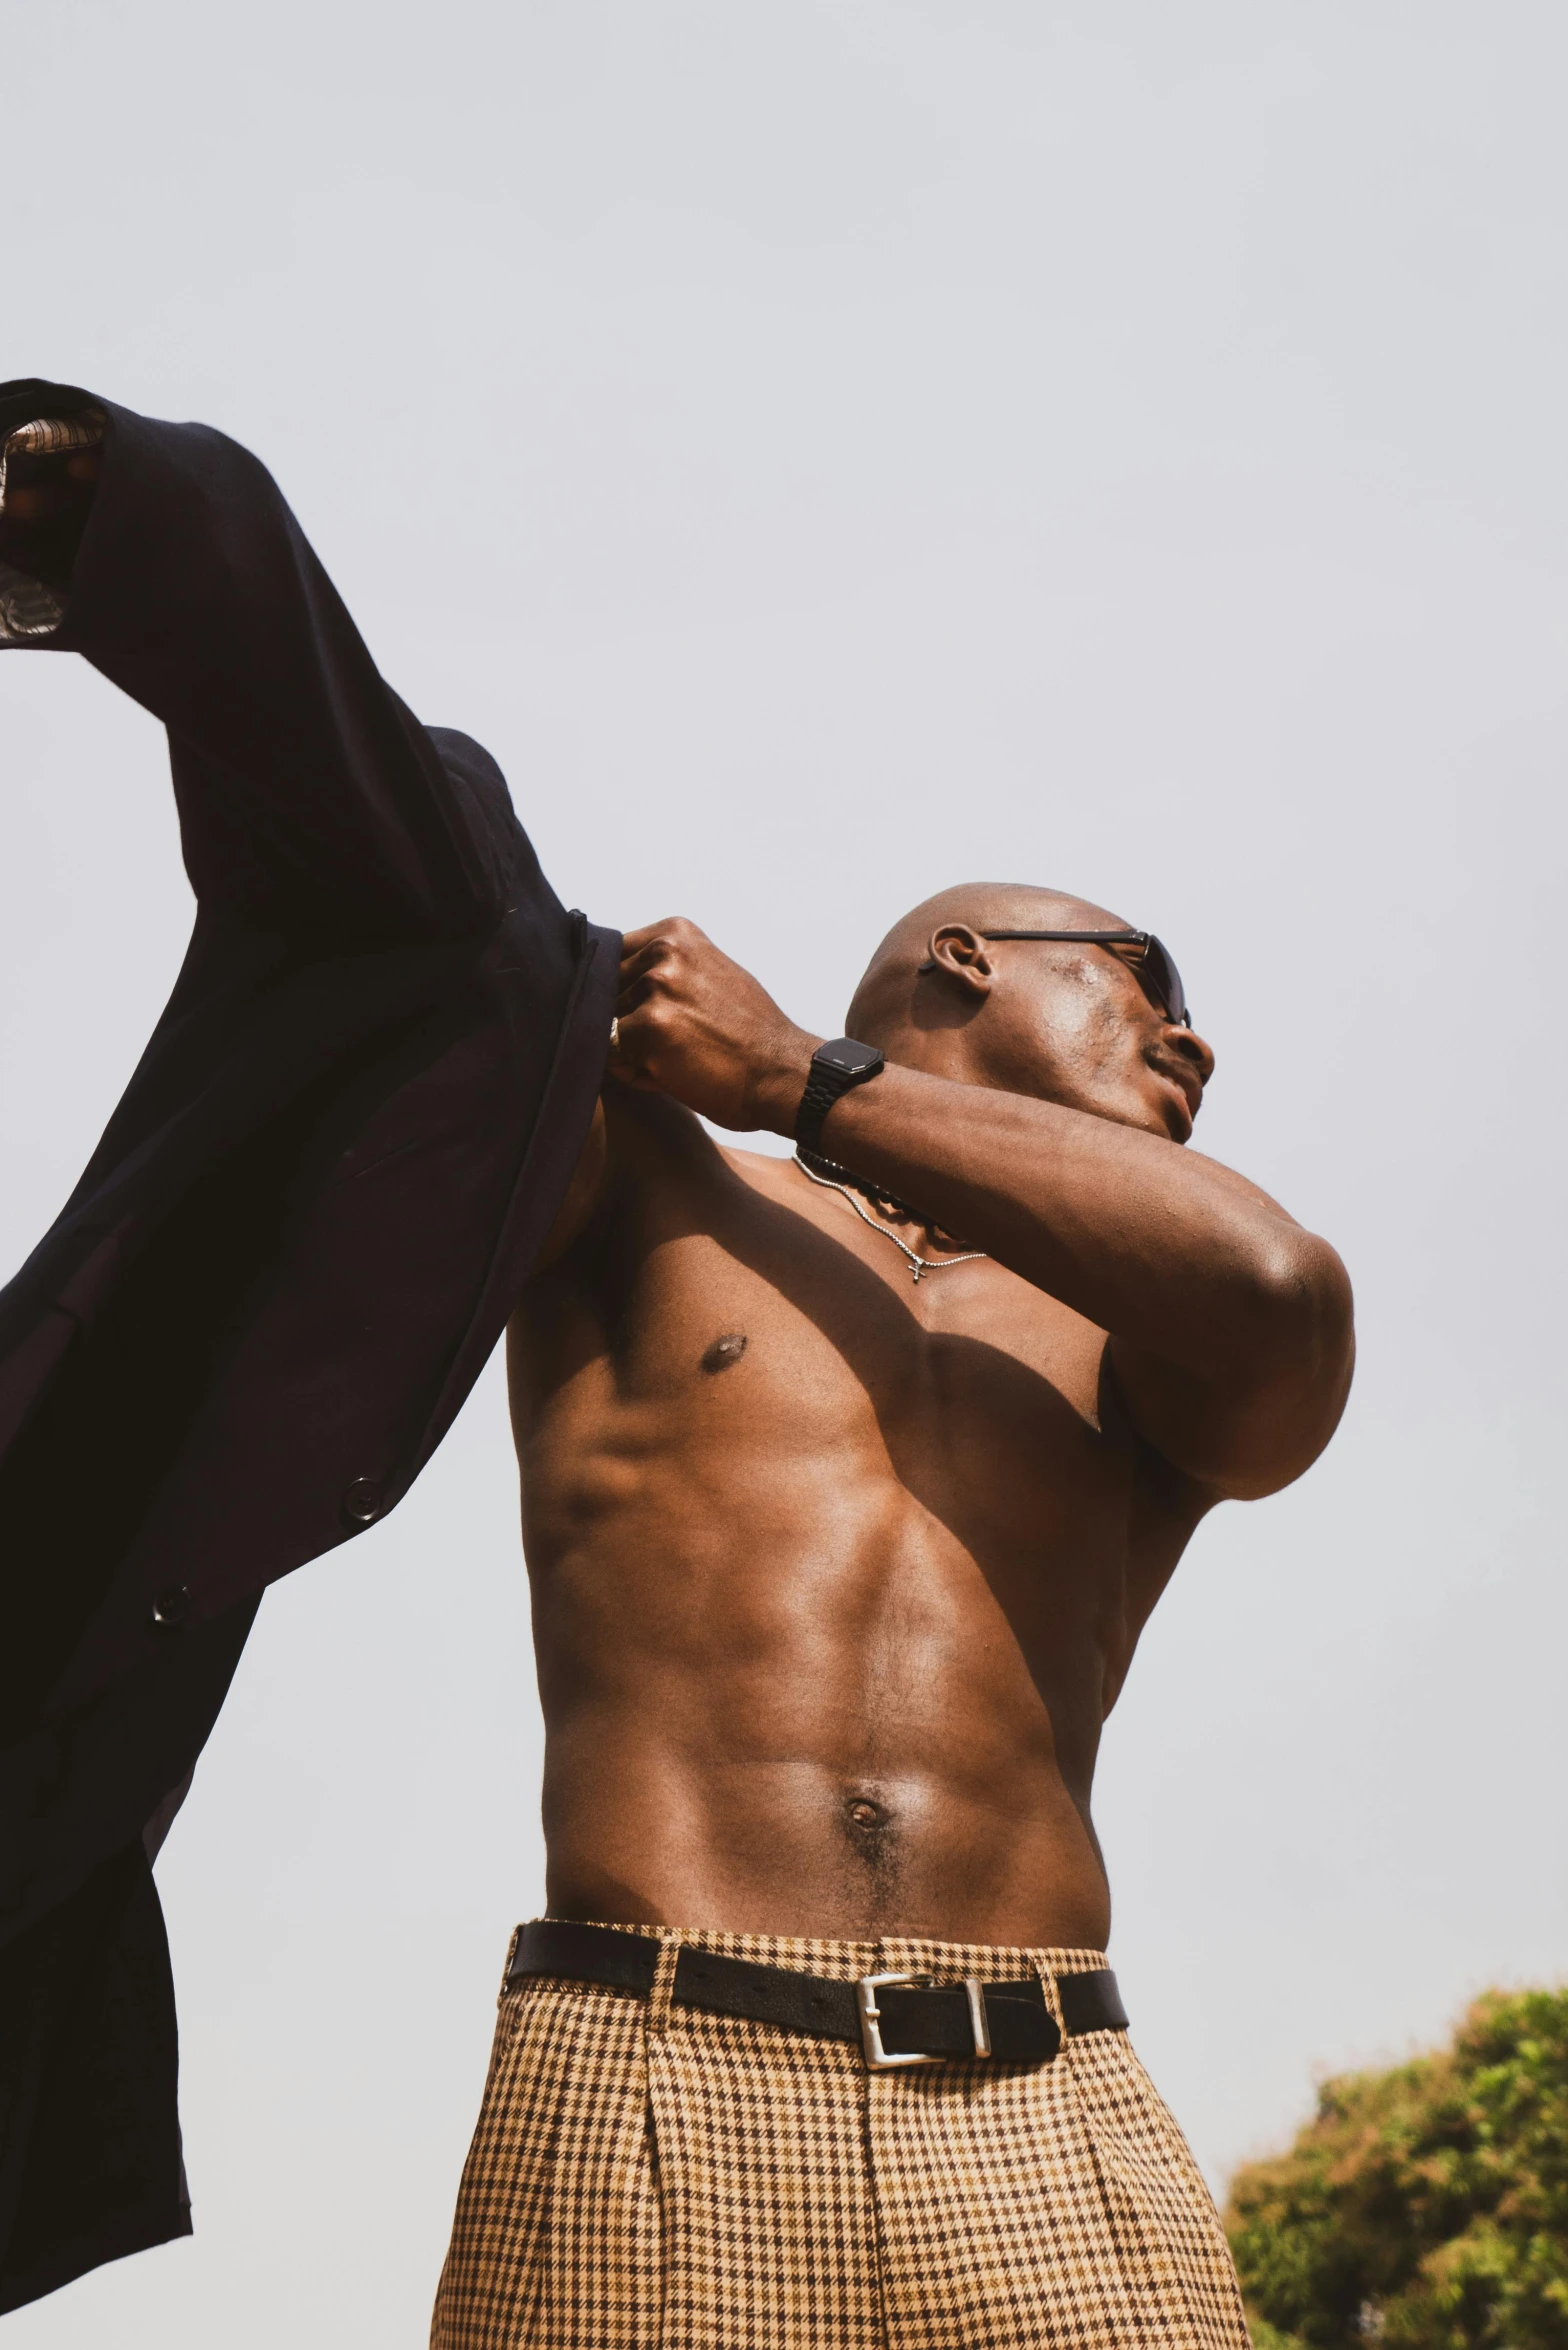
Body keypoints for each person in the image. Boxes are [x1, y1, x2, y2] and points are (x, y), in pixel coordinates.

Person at [429, 902, 1354, 2346]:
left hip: (1048, 2103)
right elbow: (409, 983)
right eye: (1145, 978)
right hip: (659, 2065)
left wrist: (792, 1068)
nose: (1195, 1039)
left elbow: (1280, 1288)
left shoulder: (1135, 1335)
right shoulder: (657, 1183)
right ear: (968, 958)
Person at [0, 384, 616, 2314]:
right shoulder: (470, 948)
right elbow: (365, 795)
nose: (1189, 1049)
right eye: (1148, 989)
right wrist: (102, 504)